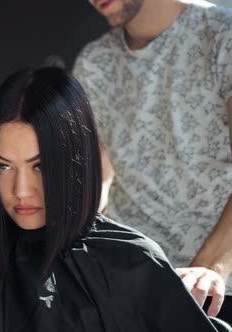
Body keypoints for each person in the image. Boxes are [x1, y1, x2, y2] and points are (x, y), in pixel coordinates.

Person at [0, 67, 231, 331]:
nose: (21, 191)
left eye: (40, 166)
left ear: (77, 162)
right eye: (3, 167)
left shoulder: (131, 261)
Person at [73, 0, 232, 319]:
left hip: (217, 290)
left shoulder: (221, 35)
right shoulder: (94, 62)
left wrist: (209, 268)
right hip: (130, 287)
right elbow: (99, 173)